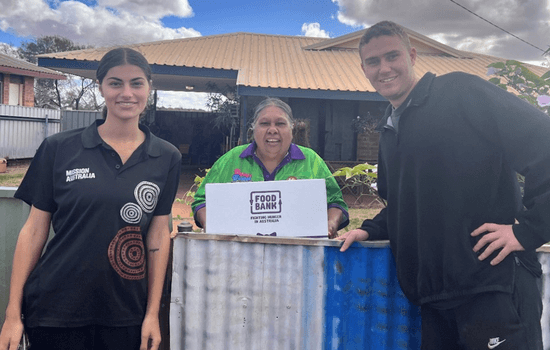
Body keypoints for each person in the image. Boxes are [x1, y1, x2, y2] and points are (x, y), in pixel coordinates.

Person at [338, 21, 550, 350]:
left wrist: (530, 229)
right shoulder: (390, 129)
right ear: (363, 68)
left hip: (492, 287)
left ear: (412, 55)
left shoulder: (461, 92)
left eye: (392, 56)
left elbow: (544, 141)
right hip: (434, 300)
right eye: (373, 61)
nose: (384, 68)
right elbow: (405, 202)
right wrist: (371, 228)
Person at [0, 47, 181, 350]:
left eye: (136, 83)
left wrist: (151, 314)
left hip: (126, 314)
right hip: (55, 310)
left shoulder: (166, 157)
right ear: (101, 88)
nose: (127, 93)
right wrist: (12, 314)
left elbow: (158, 236)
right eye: (115, 83)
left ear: (149, 87)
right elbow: (33, 232)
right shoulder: (59, 149)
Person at [192, 97, 349, 237]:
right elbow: (202, 200)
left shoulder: (311, 161)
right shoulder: (231, 160)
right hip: (241, 254)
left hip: (301, 256)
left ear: (292, 128)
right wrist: (210, 224)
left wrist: (331, 223)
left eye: (280, 123)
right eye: (264, 123)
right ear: (253, 128)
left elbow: (336, 203)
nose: (272, 130)